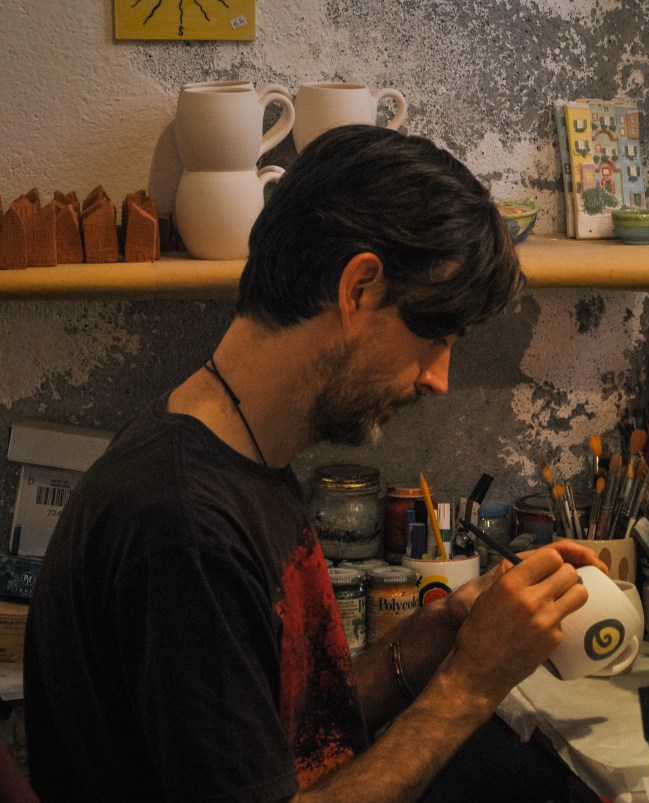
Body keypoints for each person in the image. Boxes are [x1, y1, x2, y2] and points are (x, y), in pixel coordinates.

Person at [24, 125, 605, 802]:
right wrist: (473, 682)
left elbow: (273, 726)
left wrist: (442, 633)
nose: (439, 378)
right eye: (434, 336)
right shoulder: (184, 527)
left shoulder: (233, 450)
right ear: (359, 288)